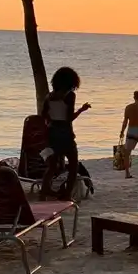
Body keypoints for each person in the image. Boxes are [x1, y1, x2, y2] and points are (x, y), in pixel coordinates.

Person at [41, 66, 90, 200]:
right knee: (73, 165)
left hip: (52, 132)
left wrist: (51, 121)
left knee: (52, 166)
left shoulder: (49, 96)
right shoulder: (69, 95)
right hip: (65, 132)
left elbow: (44, 114)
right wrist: (81, 110)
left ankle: (44, 192)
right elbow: (69, 118)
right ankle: (67, 195)